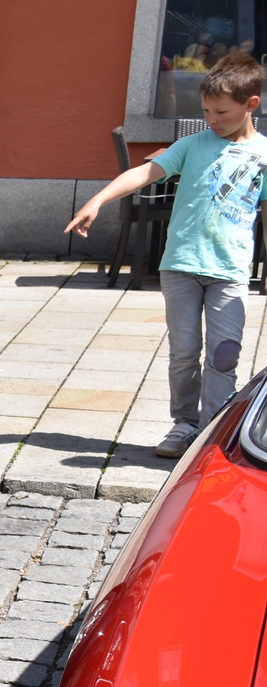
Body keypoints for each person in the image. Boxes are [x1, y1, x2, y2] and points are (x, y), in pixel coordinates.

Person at [67, 52, 267, 458]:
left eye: (221, 112)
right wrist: (98, 200)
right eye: (206, 111)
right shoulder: (192, 145)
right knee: (184, 351)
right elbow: (143, 173)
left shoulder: (263, 153)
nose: (211, 120)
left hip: (230, 269)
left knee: (224, 354)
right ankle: (184, 425)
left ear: (251, 104)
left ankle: (212, 431)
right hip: (181, 266)